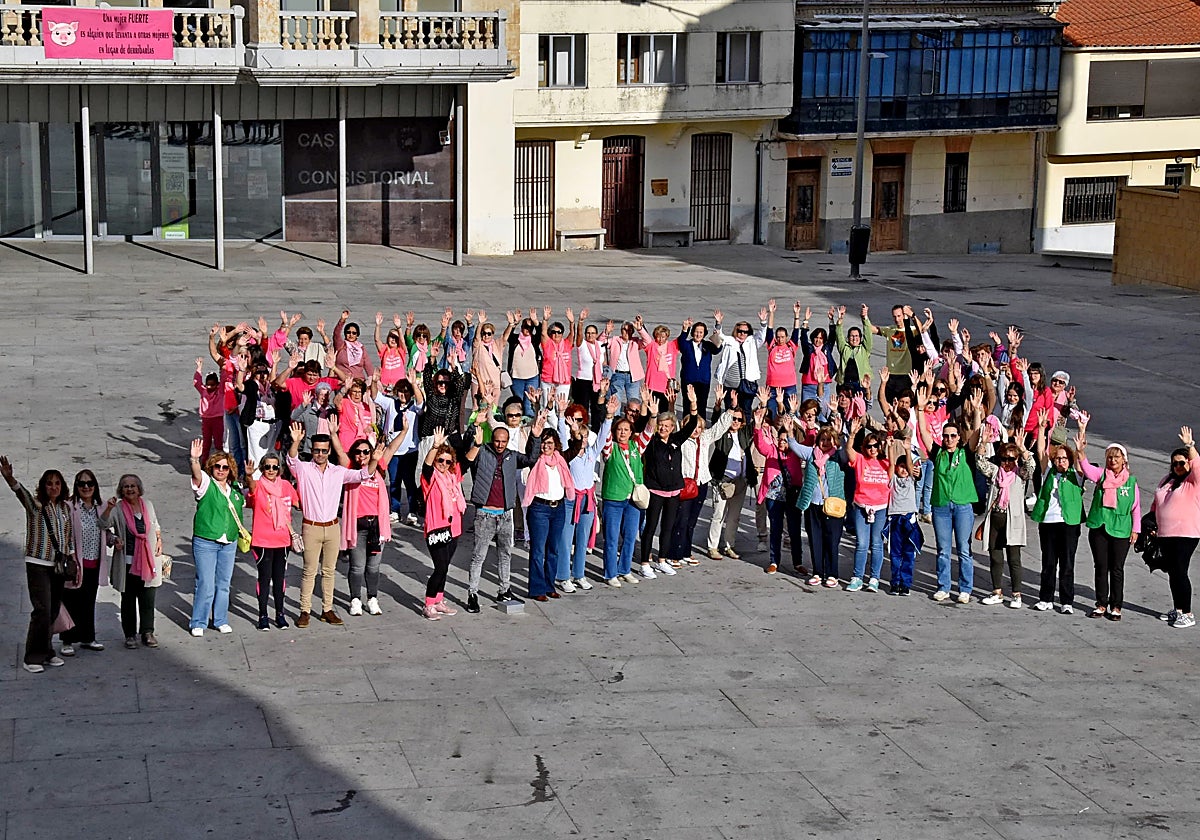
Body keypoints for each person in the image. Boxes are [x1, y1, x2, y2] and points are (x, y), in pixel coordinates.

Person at [285, 420, 385, 628]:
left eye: (323, 450)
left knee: (329, 570)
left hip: (332, 527)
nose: (320, 454)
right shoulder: (303, 470)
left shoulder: (338, 472)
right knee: (309, 570)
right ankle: (304, 610)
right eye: (316, 451)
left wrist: (374, 460)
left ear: (329, 451)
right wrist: (295, 442)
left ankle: (327, 609)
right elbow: (291, 460)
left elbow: (363, 474)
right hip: (311, 526)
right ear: (312, 451)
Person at [463, 413, 541, 611]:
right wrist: (475, 426)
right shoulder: (482, 452)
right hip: (485, 513)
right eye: (497, 441)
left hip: (505, 515)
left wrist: (535, 437)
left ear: (507, 442)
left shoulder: (512, 456)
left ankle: (504, 589)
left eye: (503, 442)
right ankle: (473, 593)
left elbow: (532, 458)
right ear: (492, 440)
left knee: (505, 554)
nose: (499, 445)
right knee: (478, 556)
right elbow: (467, 450)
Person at [1, 458, 71, 673]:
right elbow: (20, 493)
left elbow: (67, 538)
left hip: (57, 566)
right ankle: (32, 657)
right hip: (38, 563)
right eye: (49, 483)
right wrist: (9, 477)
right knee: (41, 610)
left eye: (57, 483)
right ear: (43, 486)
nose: (53, 487)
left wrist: (72, 559)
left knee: (52, 611)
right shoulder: (36, 506)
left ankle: (48, 651)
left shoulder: (64, 509)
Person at [1076, 429, 1141, 621]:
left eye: (1116, 457)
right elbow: (1086, 468)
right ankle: (1101, 603)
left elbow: (1135, 508)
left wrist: (1136, 529)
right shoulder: (1101, 475)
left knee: (1117, 568)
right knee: (1101, 567)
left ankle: (1116, 606)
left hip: (1121, 529)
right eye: (1110, 457)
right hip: (1100, 527)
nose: (1113, 460)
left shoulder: (1131, 482)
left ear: (1124, 460)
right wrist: (1080, 452)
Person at [338, 432, 404, 617]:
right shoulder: (350, 471)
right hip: (357, 526)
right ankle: (355, 600)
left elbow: (391, 449)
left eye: (366, 452)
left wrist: (405, 431)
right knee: (357, 566)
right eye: (358, 452)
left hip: (376, 525)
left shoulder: (380, 469)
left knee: (374, 567)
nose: (362, 455)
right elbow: (342, 454)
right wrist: (335, 433)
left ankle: (372, 598)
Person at [917, 405, 978, 603]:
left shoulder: (966, 453)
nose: (949, 439)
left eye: (953, 436)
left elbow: (976, 434)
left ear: (959, 438)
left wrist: (977, 411)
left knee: (963, 549)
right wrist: (919, 410)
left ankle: (965, 588)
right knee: (943, 549)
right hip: (941, 506)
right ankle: (943, 586)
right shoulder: (938, 453)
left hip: (962, 506)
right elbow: (924, 432)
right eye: (946, 436)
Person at [1030, 409, 1086, 614]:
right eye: (1058, 459)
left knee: (1067, 564)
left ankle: (1066, 601)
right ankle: (1045, 598)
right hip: (1049, 522)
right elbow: (1041, 451)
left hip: (1069, 523)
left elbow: (1081, 458)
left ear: (1069, 460)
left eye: (1064, 458)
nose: (1060, 461)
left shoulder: (1076, 475)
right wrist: (1042, 428)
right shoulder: (1048, 473)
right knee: (1048, 562)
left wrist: (1082, 430)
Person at [558, 396, 616, 589]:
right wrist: (560, 416)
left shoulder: (592, 452)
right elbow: (561, 434)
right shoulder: (569, 453)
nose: (582, 440)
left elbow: (602, 436)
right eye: (578, 437)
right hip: (571, 499)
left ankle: (579, 574)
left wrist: (609, 416)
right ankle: (563, 576)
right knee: (567, 539)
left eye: (584, 437)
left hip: (588, 499)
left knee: (583, 539)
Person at [640, 389, 700, 576]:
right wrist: (650, 412)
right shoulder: (651, 441)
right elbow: (643, 428)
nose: (663, 428)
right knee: (650, 527)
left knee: (667, 527)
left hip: (674, 491)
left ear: (672, 427)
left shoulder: (675, 440)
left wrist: (693, 405)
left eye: (667, 426)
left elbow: (691, 427)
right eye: (661, 425)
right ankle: (644, 563)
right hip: (656, 490)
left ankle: (662, 560)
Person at [187, 443, 245, 637]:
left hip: (229, 541)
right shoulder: (205, 484)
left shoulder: (235, 489)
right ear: (211, 468)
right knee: (205, 582)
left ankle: (220, 619)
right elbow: (196, 474)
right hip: (206, 541)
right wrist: (195, 459)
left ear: (230, 470)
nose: (221, 470)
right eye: (217, 466)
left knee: (224, 583)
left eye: (225, 467)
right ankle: (198, 622)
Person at [975, 427, 1036, 608]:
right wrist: (983, 443)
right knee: (995, 557)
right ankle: (997, 591)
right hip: (995, 518)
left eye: (1011, 459)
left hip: (1013, 520)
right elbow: (980, 462)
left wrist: (1022, 448)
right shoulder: (995, 472)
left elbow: (1031, 467)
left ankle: (1016, 594)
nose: (1007, 463)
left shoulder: (1020, 474)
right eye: (1004, 459)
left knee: (1014, 559)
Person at [668, 404, 734, 566]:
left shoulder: (704, 438)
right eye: (693, 427)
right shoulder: (682, 439)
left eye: (699, 427)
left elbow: (720, 428)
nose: (696, 430)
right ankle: (673, 554)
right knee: (680, 520)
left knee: (691, 522)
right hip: (685, 483)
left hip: (701, 483)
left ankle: (685, 551)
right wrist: (673, 405)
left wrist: (730, 409)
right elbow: (674, 426)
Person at [104, 474, 164, 648]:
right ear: (121, 490)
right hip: (127, 562)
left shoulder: (148, 505)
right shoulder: (117, 509)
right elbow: (103, 526)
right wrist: (114, 538)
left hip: (148, 560)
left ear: (139, 489)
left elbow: (155, 524)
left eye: (133, 486)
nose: (129, 489)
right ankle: (130, 635)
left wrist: (159, 538)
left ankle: (147, 632)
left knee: (148, 598)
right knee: (128, 600)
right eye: (125, 486)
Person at [787, 422, 849, 588]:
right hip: (813, 504)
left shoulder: (838, 455)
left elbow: (845, 456)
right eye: (823, 439)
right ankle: (817, 572)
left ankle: (832, 574)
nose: (825, 442)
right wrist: (789, 431)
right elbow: (793, 446)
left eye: (829, 439)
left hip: (833, 505)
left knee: (832, 540)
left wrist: (839, 435)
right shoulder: (811, 454)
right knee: (815, 539)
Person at [244, 453, 300, 629]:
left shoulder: (285, 486)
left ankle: (280, 614)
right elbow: (251, 489)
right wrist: (248, 476)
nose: (271, 470)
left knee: (280, 578)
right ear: (262, 468)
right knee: (264, 578)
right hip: (263, 542)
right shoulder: (259, 486)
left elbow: (298, 503)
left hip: (282, 541)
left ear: (279, 469)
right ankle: (263, 616)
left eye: (275, 467)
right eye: (267, 467)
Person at [1152, 425, 1200, 628]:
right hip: (1165, 534)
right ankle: (1178, 609)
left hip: (1186, 534)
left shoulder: (1194, 482)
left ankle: (1187, 613)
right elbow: (1157, 504)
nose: (1178, 466)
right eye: (1175, 464)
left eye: (1182, 463)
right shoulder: (1168, 480)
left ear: (1188, 463)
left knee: (1180, 571)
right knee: (1173, 572)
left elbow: (1198, 465)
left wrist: (1189, 445)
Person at [59, 470, 111, 654]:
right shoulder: (69, 506)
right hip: (75, 563)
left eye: (90, 483)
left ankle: (88, 638)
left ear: (95, 486)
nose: (86, 487)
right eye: (82, 484)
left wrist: (114, 540)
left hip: (94, 563)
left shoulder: (101, 506)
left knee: (88, 602)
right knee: (71, 601)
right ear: (76, 486)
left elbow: (105, 530)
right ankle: (67, 640)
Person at [525, 426, 577, 601]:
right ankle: (537, 589)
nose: (545, 446)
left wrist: (576, 432)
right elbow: (531, 448)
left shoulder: (561, 460)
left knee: (553, 549)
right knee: (538, 550)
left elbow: (576, 448)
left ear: (556, 444)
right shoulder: (535, 460)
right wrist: (535, 436)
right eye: (543, 443)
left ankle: (549, 586)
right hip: (540, 508)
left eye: (549, 443)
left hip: (558, 508)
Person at [420, 427, 466, 619]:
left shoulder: (453, 477)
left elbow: (468, 461)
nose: (444, 464)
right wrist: (435, 447)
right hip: (437, 528)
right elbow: (427, 466)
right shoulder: (429, 479)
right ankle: (429, 603)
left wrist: (477, 442)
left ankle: (439, 600)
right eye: (441, 460)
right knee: (440, 568)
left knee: (445, 567)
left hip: (453, 527)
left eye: (448, 461)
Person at [754, 407, 807, 575]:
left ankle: (797, 562)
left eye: (785, 440)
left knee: (794, 530)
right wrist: (757, 426)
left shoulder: (795, 454)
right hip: (774, 497)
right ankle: (774, 561)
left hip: (793, 496)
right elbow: (760, 445)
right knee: (775, 529)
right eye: (780, 440)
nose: (782, 443)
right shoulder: (772, 451)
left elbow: (808, 437)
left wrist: (791, 426)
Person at [706, 399, 757, 560]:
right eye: (733, 418)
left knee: (734, 517)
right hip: (723, 481)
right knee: (718, 515)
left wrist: (762, 404)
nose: (735, 422)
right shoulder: (722, 434)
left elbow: (755, 425)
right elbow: (716, 423)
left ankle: (729, 545)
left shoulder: (743, 434)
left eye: (739, 419)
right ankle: (712, 546)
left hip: (740, 481)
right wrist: (719, 407)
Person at [845, 418, 892, 592]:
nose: (872, 449)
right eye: (869, 446)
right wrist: (852, 434)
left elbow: (894, 464)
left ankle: (874, 578)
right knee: (862, 543)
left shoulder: (886, 463)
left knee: (877, 544)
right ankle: (857, 577)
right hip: (861, 506)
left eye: (875, 446)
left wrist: (889, 443)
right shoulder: (860, 460)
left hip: (880, 508)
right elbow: (849, 450)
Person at [601, 416, 645, 587]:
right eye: (619, 430)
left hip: (633, 499)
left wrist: (653, 414)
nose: (623, 433)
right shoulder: (610, 448)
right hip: (613, 498)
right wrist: (609, 416)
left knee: (630, 537)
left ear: (631, 432)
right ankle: (610, 573)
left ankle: (625, 569)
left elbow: (648, 431)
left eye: (626, 430)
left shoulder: (636, 447)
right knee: (611, 539)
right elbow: (604, 438)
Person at [884, 440, 922, 595]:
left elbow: (911, 467)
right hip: (894, 519)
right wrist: (891, 446)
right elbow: (891, 463)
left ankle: (905, 584)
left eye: (906, 467)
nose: (904, 470)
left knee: (908, 553)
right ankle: (895, 582)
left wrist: (907, 450)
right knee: (895, 553)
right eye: (902, 467)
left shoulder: (911, 479)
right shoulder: (892, 479)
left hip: (910, 518)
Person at [762, 300, 801, 418]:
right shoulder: (772, 346)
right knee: (772, 413)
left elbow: (796, 331)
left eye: (782, 337)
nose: (780, 339)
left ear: (786, 337)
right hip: (773, 385)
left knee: (791, 412)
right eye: (778, 337)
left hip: (789, 385)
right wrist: (771, 312)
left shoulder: (791, 346)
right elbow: (769, 329)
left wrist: (797, 315)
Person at [677, 316, 720, 418]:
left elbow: (717, 349)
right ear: (693, 332)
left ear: (704, 334)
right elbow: (681, 342)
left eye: (701, 332)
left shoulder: (708, 345)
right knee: (688, 405)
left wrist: (717, 327)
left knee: (701, 405)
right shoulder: (687, 345)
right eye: (696, 332)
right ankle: (687, 427)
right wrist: (685, 329)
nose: (698, 334)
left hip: (703, 381)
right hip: (689, 380)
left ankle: (701, 427)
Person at [507, 309, 543, 416]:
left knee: (529, 404)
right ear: (522, 327)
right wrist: (513, 323)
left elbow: (541, 331)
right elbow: (507, 335)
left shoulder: (534, 340)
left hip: (532, 377)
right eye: (525, 327)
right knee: (519, 402)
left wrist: (535, 321)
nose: (528, 329)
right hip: (517, 377)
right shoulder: (514, 339)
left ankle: (530, 427)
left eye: (530, 328)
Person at [834, 304, 873, 387]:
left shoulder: (864, 349)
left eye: (856, 336)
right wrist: (840, 320)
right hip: (844, 384)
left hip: (860, 384)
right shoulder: (844, 348)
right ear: (848, 338)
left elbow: (868, 334)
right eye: (852, 336)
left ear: (860, 338)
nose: (854, 339)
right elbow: (839, 335)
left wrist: (865, 318)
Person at [195, 359, 225, 461]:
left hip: (218, 419)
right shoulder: (203, 391)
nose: (209, 387)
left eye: (212, 385)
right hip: (206, 420)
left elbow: (224, 379)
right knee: (206, 442)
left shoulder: (220, 392)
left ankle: (220, 461)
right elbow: (196, 382)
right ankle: (204, 462)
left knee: (218, 442)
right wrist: (199, 367)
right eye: (207, 384)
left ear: (217, 384)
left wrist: (223, 369)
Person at [333, 310, 374, 381]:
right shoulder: (341, 345)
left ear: (357, 335)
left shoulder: (361, 348)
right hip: (342, 380)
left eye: (354, 333)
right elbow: (336, 334)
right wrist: (342, 320)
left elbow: (368, 364)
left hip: (358, 381)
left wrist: (372, 379)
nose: (351, 335)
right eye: (348, 332)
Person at [374, 312, 408, 389]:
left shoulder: (401, 350)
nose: (393, 340)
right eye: (391, 337)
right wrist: (378, 326)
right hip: (385, 386)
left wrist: (399, 328)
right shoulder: (384, 349)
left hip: (399, 386)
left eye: (396, 338)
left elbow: (402, 341)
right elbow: (377, 340)